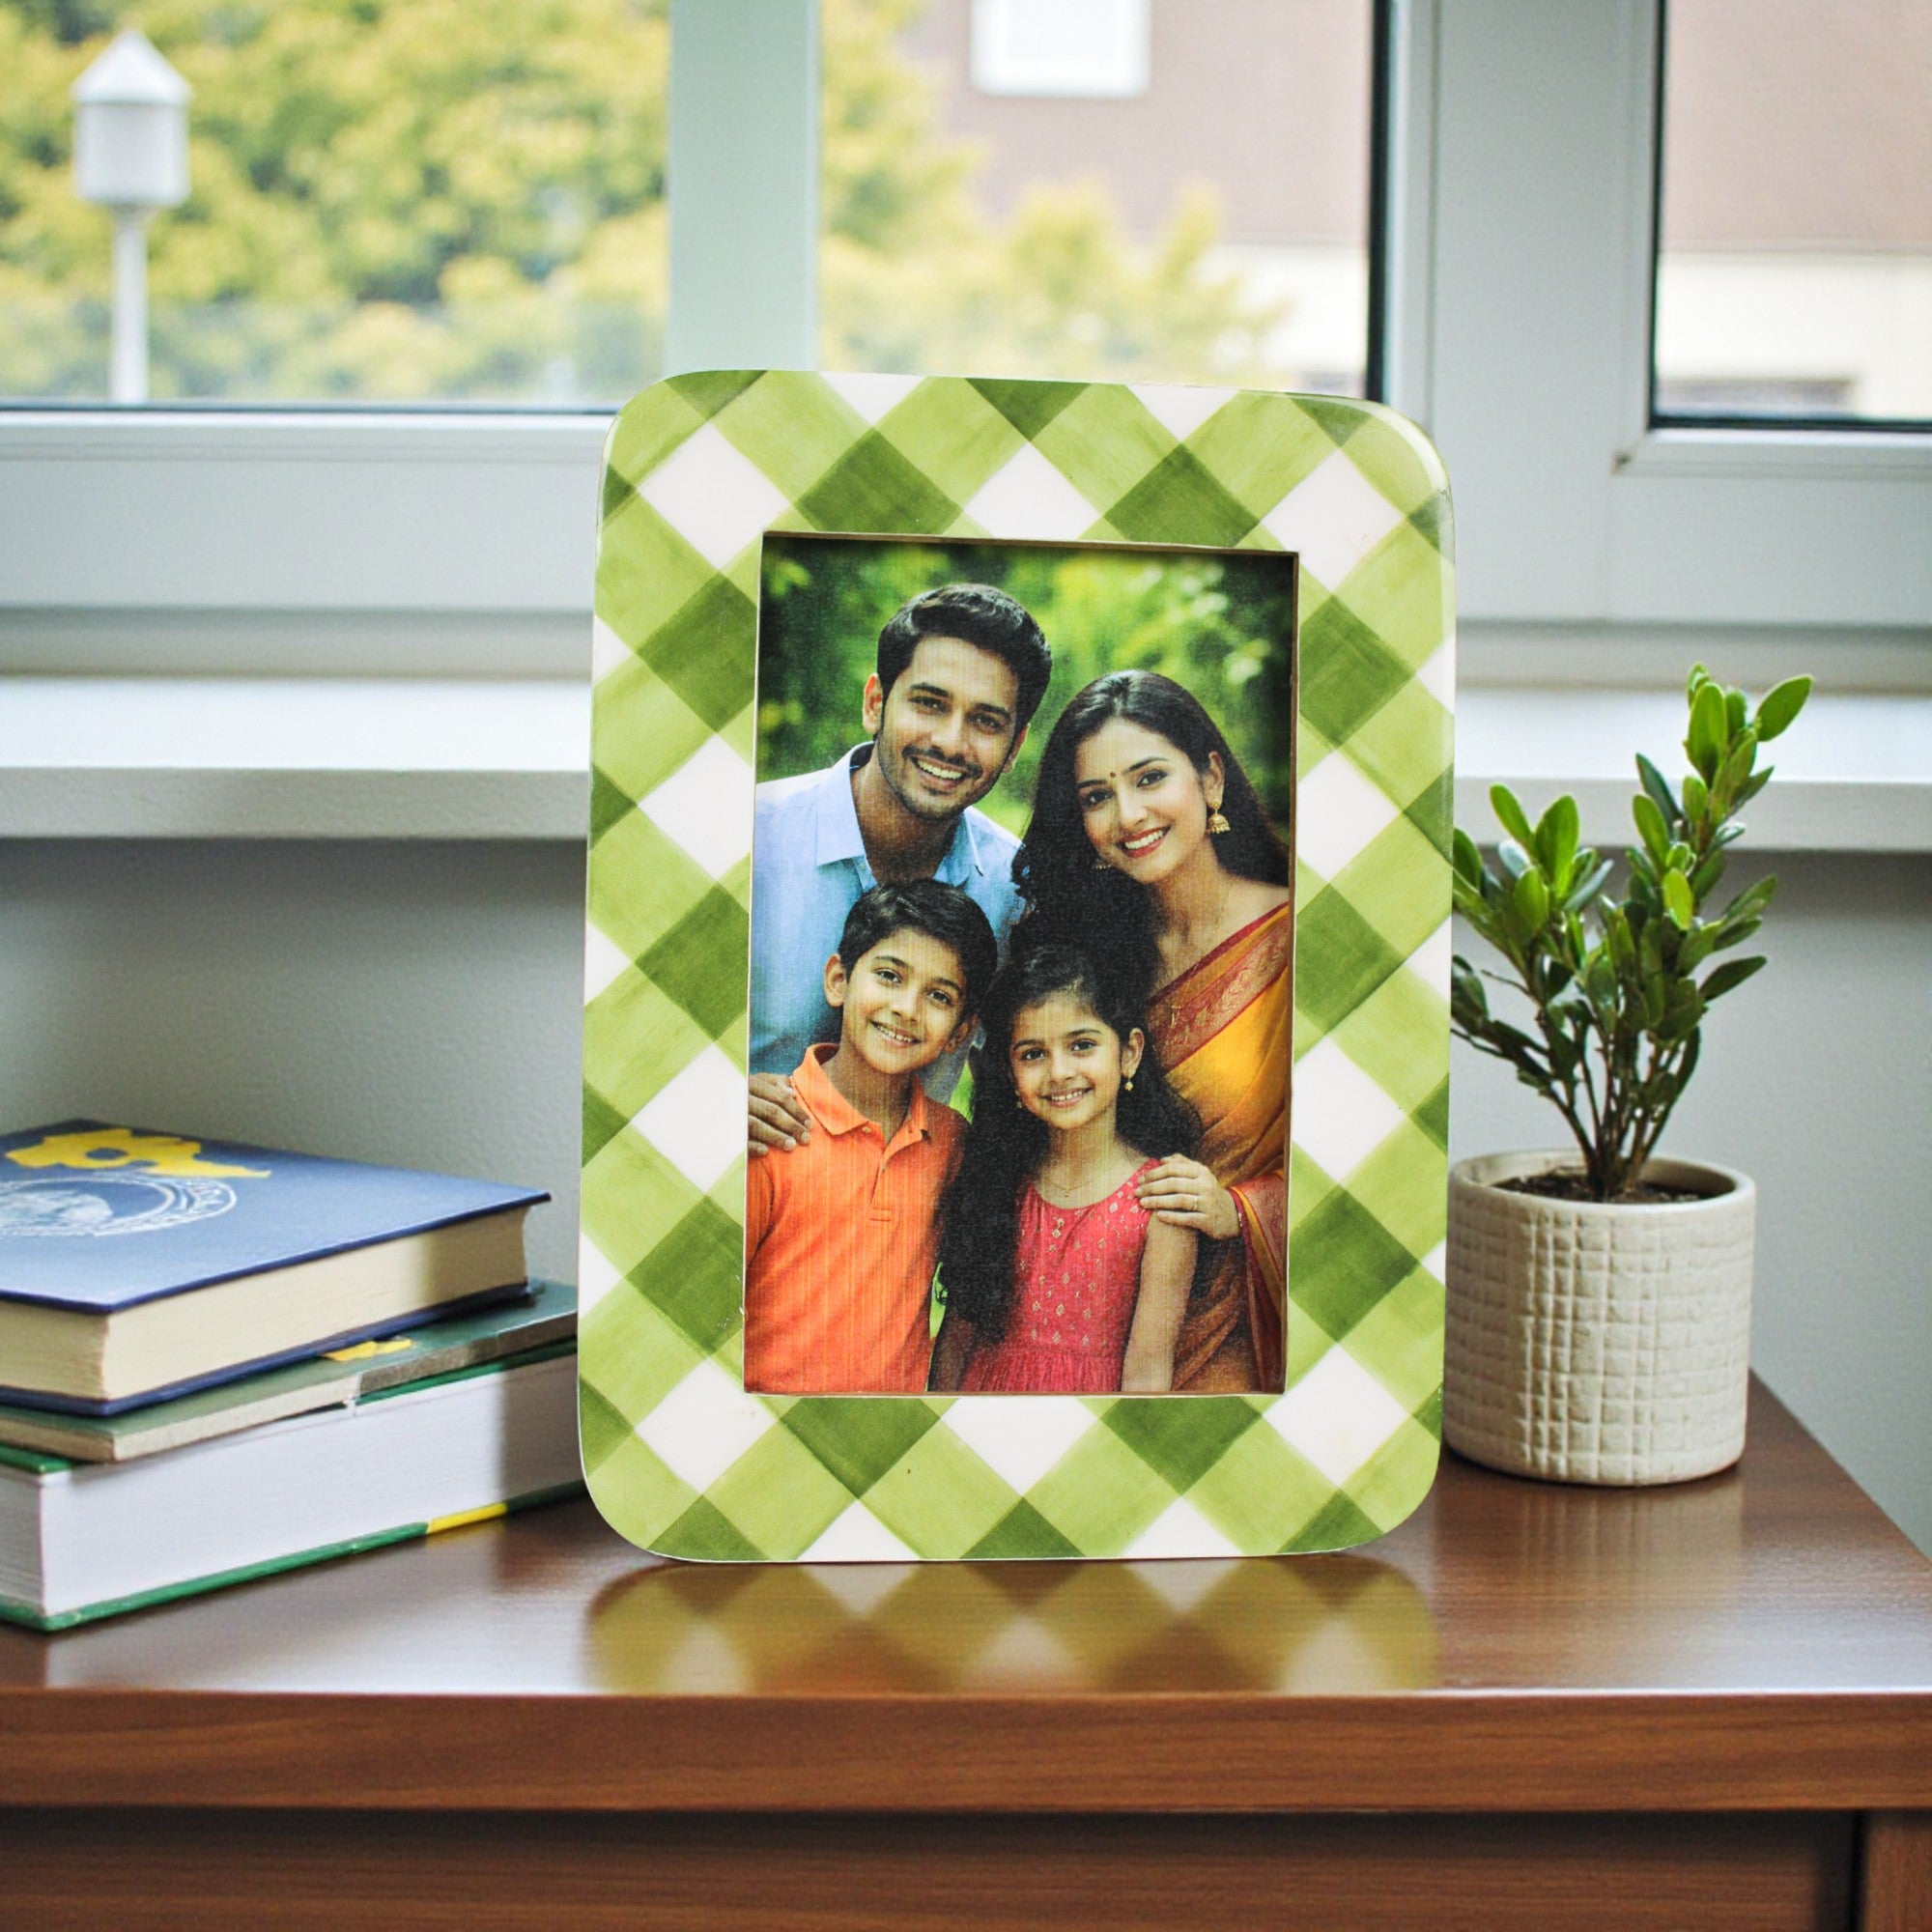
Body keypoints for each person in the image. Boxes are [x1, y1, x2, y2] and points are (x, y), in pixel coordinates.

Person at [1009, 669, 1292, 1394]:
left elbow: (1371, 1169)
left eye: (1150, 778)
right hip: (1089, 1324)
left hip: (1238, 1325)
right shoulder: (1091, 960)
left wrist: (1240, 1210)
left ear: (1212, 780)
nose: (1127, 815)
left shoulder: (1298, 940)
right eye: (1097, 797)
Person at [748, 582, 1052, 1155]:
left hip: (895, 1222)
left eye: (986, 721)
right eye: (929, 704)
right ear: (875, 703)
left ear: (1015, 747)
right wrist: (710, 1099)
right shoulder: (748, 838)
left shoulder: (1015, 890)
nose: (950, 741)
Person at [742, 881, 999, 1396]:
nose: (907, 1008)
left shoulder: (952, 1145)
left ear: (960, 1031)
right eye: (888, 976)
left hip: (889, 1439)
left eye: (939, 996)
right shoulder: (768, 1127)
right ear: (839, 980)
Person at [928, 944, 1200, 1396]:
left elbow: (1149, 1372)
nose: (1059, 1072)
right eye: (1033, 1054)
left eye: (1082, 1046)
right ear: (1010, 1072)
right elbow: (955, 1346)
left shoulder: (1160, 1201)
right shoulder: (997, 1183)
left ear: (1129, 1053)